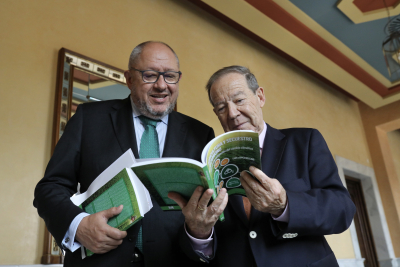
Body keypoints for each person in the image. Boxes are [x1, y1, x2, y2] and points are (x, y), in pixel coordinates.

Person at [33, 41, 226, 267]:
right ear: (129, 79)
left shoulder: (201, 134)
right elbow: (50, 188)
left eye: (170, 76)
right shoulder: (89, 119)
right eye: (150, 75)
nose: (162, 85)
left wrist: (201, 231)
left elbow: (209, 207)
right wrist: (79, 225)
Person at [171, 66, 356, 267]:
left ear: (260, 96)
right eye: (222, 108)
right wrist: (198, 232)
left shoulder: (305, 141)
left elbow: (342, 210)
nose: (232, 113)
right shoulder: (207, 163)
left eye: (239, 100)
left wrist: (285, 205)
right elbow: (201, 248)